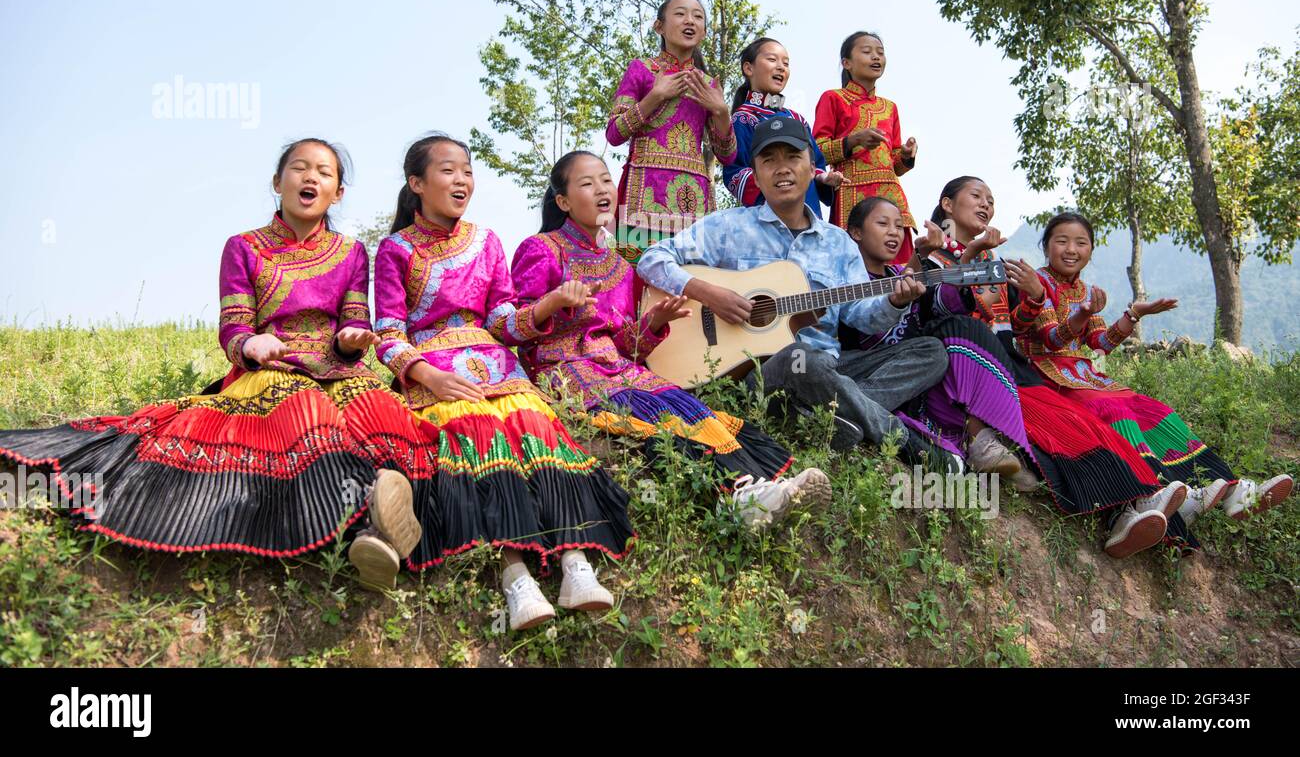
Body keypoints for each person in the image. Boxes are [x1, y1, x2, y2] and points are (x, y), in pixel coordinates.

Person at [0, 138, 429, 589]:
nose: (310, 177)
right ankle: (370, 518)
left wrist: (350, 342)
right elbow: (233, 325)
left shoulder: (352, 252)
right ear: (276, 182)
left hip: (340, 369)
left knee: (384, 413)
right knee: (310, 418)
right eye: (299, 168)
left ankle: (380, 527)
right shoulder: (243, 247)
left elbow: (355, 322)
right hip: (274, 372)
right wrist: (251, 345)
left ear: (337, 193)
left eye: (324, 172)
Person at [373, 134, 634, 631]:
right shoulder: (395, 249)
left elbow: (502, 322)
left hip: (499, 367)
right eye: (448, 171)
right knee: (476, 440)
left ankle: (575, 565)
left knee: (539, 431)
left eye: (467, 170)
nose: (462, 180)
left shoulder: (488, 241)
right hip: (435, 369)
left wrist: (549, 305)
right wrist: (429, 377)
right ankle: (516, 578)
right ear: (416, 184)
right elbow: (386, 333)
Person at [511, 150, 831, 532]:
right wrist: (555, 302)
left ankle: (758, 491)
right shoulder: (541, 249)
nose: (601, 190)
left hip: (618, 367)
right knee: (657, 415)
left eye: (606, 180)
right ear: (563, 201)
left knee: (689, 408)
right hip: (565, 369)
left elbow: (629, 346)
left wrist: (654, 322)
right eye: (587, 183)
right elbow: (514, 328)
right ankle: (740, 497)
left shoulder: (620, 267)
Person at [638, 115, 956, 471]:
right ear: (756, 176)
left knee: (932, 353)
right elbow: (652, 259)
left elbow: (861, 316)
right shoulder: (728, 227)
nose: (781, 169)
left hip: (830, 367)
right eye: (768, 160)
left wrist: (895, 300)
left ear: (811, 168)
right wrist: (708, 293)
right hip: (756, 376)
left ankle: (826, 412)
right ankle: (908, 444)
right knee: (798, 356)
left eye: (792, 157)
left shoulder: (838, 243)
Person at [926, 176, 1210, 555]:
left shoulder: (996, 264)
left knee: (1091, 422)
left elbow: (1021, 326)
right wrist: (977, 262)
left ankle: (1149, 508)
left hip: (1011, 357)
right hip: (985, 361)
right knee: (1068, 425)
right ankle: (1127, 510)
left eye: (991, 199)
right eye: (976, 196)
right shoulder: (932, 254)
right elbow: (938, 311)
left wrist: (1033, 296)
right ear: (947, 205)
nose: (986, 205)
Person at [1022, 210, 1293, 540]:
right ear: (1046, 245)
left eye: (1081, 242)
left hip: (1086, 375)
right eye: (1061, 241)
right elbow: (1052, 338)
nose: (1071, 249)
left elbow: (1102, 343)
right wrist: (1083, 313)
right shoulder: (1035, 282)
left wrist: (1135, 313)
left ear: (1091, 250)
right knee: (1115, 411)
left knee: (1155, 411)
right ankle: (1164, 490)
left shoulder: (1088, 291)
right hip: (1050, 374)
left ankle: (1231, 490)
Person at [841, 196, 1039, 488]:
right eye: (883, 224)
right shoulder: (845, 276)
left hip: (915, 376)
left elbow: (940, 305)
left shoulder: (901, 274)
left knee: (954, 333)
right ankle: (859, 410)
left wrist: (967, 260)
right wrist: (921, 258)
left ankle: (982, 443)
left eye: (899, 226)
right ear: (855, 232)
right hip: (870, 373)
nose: (894, 232)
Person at [606, 0, 737, 261]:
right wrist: (655, 96)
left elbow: (728, 155)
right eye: (680, 14)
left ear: (703, 32)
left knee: (697, 279)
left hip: (696, 196)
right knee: (641, 273)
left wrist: (722, 112)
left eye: (698, 16)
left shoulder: (709, 84)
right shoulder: (641, 69)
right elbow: (614, 133)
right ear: (659, 26)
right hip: (644, 192)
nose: (689, 21)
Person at [813, 31, 918, 265]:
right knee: (854, 272)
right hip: (853, 197)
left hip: (892, 197)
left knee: (901, 270)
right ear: (846, 63)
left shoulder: (890, 107)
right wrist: (853, 141)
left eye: (880, 52)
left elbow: (895, 163)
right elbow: (816, 152)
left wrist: (907, 156)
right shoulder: (833, 98)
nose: (876, 57)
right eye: (867, 51)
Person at [723, 36, 842, 216]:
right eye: (772, 59)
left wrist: (824, 177)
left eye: (786, 63)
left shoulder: (797, 119)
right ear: (748, 68)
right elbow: (735, 172)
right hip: (768, 218)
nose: (781, 67)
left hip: (807, 213)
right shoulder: (743, 118)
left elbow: (815, 164)